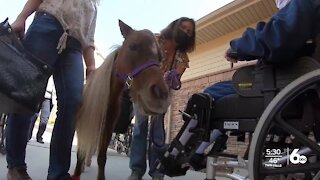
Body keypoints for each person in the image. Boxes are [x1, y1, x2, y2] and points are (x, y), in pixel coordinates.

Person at [176, 0, 320, 169]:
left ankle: (183, 153)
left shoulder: (303, 3)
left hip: (279, 89)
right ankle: (200, 149)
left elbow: (274, 39)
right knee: (222, 91)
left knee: (206, 97)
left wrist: (237, 47)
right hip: (295, 87)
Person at [5, 0, 97, 179]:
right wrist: (22, 17)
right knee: (27, 94)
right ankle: (16, 166)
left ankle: (58, 173)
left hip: (75, 47)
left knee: (72, 102)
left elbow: (89, 35)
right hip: (48, 26)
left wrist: (91, 65)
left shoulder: (95, 3)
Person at [128, 17, 196, 180]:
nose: (185, 32)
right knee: (140, 128)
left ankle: (157, 171)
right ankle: (136, 170)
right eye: (184, 27)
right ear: (175, 26)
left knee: (157, 133)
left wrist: (172, 77)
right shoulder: (156, 40)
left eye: (189, 31)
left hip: (161, 95)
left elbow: (177, 76)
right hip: (142, 90)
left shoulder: (182, 56)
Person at [28, 76, 55, 144]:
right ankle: (28, 135)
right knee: (33, 116)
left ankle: (39, 136)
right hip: (38, 93)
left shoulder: (56, 71)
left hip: (48, 98)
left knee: (44, 119)